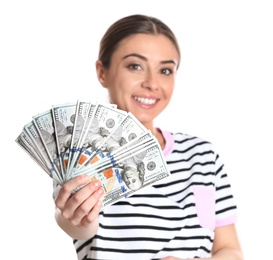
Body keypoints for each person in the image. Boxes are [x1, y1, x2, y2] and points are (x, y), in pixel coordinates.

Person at [54, 14, 244, 260]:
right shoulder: (82, 154)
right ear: (103, 72)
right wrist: (76, 215)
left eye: (165, 70)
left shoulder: (202, 156)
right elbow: (78, 225)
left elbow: (230, 250)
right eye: (135, 66)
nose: (152, 83)